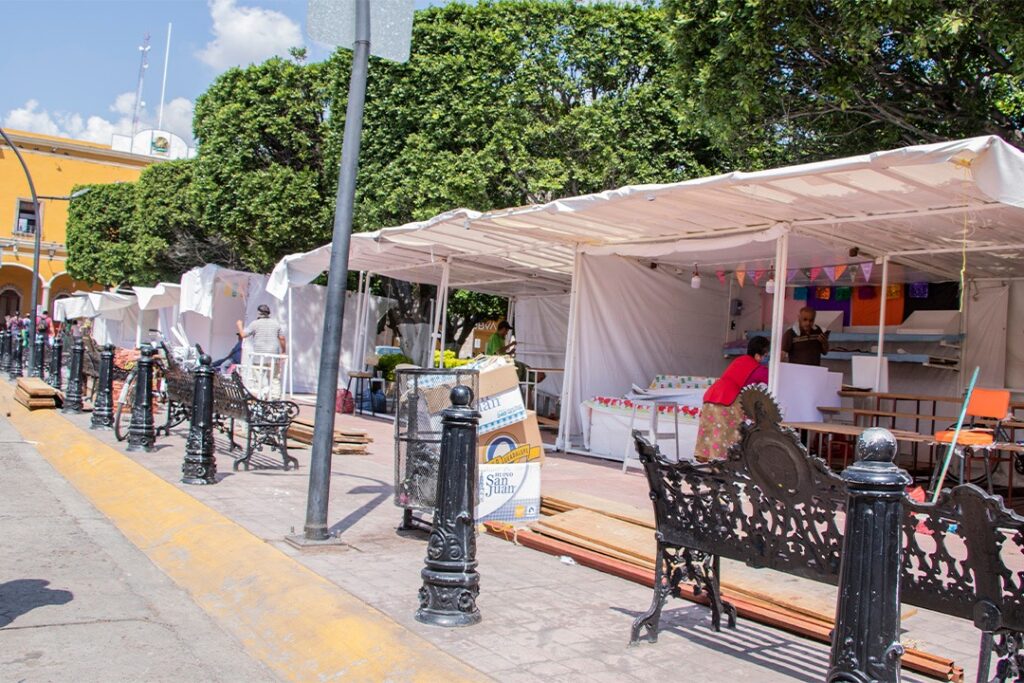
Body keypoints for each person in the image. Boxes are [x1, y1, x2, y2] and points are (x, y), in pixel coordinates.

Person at [693, 336, 770, 463]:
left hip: (713, 393)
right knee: (727, 431)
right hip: (728, 397)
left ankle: (703, 456)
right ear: (758, 356)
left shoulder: (739, 360)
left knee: (709, 428)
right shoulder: (757, 368)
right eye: (766, 355)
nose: (767, 358)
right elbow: (773, 379)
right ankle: (722, 461)